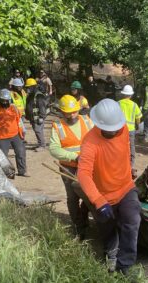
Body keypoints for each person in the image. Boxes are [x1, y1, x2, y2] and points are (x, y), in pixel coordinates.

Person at [78, 99, 141, 275]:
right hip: (103, 194)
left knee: (132, 220)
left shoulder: (125, 130)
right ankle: (111, 253)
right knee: (107, 227)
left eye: (116, 127)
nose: (114, 131)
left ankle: (125, 265)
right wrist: (98, 200)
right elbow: (83, 174)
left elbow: (123, 153)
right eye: (110, 129)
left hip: (126, 187)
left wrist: (129, 169)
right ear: (99, 125)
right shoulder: (90, 142)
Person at [49, 95, 94, 240]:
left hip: (88, 166)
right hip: (69, 168)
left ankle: (84, 219)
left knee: (89, 195)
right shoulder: (58, 127)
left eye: (74, 111)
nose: (72, 114)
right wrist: (74, 157)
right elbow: (54, 149)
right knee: (73, 197)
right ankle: (79, 227)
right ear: (62, 112)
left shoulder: (87, 121)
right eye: (69, 112)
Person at [0, 89, 28, 177]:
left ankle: (22, 171)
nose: (5, 102)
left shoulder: (14, 108)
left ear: (9, 100)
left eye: (6, 100)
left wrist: (23, 130)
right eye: (3, 100)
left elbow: (19, 119)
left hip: (16, 135)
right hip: (2, 137)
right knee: (2, 156)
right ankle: (5, 174)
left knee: (21, 153)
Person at [118, 85, 142, 169]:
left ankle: (120, 162)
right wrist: (138, 126)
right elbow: (138, 118)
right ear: (131, 95)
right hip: (131, 129)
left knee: (120, 145)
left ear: (123, 94)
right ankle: (131, 165)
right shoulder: (134, 105)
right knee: (131, 146)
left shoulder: (118, 103)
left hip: (120, 129)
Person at [25, 78, 49, 152]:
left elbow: (42, 107)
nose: (27, 89)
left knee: (38, 130)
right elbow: (28, 106)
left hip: (38, 118)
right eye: (27, 87)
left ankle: (42, 145)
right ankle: (40, 144)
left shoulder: (38, 95)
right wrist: (27, 115)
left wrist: (42, 117)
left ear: (33, 87)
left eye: (29, 87)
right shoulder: (30, 95)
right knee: (36, 130)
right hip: (33, 118)